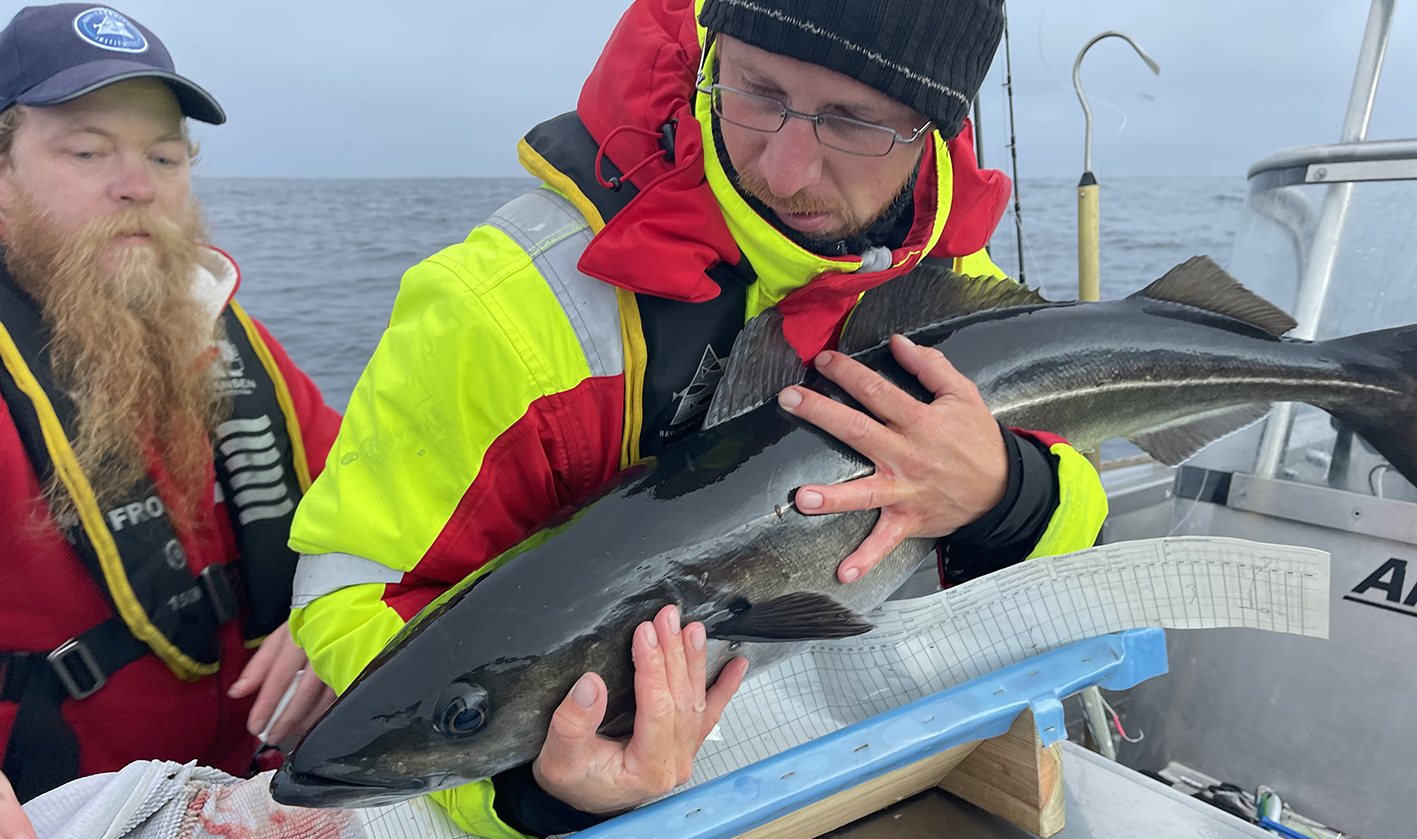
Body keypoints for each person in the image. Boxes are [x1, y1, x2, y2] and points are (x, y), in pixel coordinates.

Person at [288, 0, 1108, 835]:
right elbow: (356, 600)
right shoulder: (499, 307)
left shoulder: (938, 270)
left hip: (879, 763)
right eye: (754, 90)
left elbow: (1081, 530)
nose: (785, 171)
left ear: (931, 129)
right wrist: (528, 798)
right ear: (712, 49)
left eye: (854, 122)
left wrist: (1009, 492)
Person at [0, 4, 341, 805]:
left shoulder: (224, 335)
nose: (138, 186)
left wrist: (337, 600)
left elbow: (371, 501)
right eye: (87, 151)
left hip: (262, 787)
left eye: (165, 154)